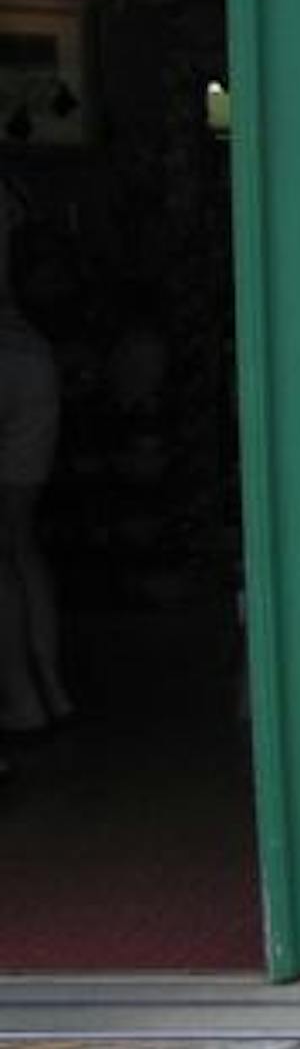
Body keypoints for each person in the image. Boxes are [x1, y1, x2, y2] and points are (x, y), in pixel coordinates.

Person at [0, 177, 72, 736]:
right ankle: (51, 688)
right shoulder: (13, 194)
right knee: (20, 540)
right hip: (30, 352)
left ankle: (22, 697)